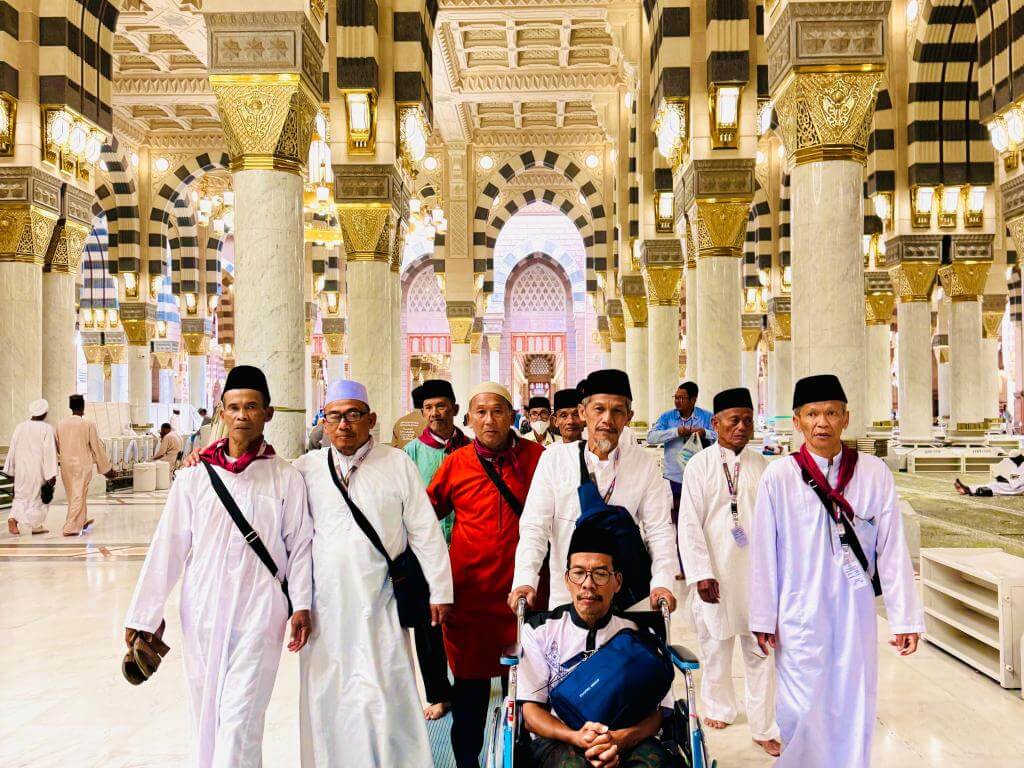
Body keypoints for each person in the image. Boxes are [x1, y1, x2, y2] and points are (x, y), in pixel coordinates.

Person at [124, 365, 314, 768]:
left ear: (268, 413)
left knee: (242, 716)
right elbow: (168, 546)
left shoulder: (285, 477)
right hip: (202, 609)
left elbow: (300, 545)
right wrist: (143, 615)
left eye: (252, 407)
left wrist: (301, 604)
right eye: (234, 407)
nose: (242, 415)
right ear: (222, 413)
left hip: (261, 609)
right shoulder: (194, 476)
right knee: (205, 711)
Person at [749, 374, 924, 768]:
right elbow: (763, 552)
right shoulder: (780, 476)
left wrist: (904, 618)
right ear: (797, 421)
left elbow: (892, 548)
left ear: (846, 418)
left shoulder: (873, 472)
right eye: (812, 414)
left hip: (854, 609)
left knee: (852, 700)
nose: (822, 423)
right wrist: (762, 617)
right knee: (798, 706)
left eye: (831, 413)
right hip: (797, 609)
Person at [293, 380, 453, 768]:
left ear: (372, 419)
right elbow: (291, 539)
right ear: (324, 422)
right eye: (334, 416)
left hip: (382, 601)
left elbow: (424, 530)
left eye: (353, 414)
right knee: (330, 695)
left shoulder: (396, 463)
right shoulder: (306, 469)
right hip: (326, 606)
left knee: (385, 692)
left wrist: (440, 590)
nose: (343, 424)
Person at [427, 382, 546, 768]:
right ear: (469, 418)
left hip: (525, 597)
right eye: (481, 412)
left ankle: (526, 758)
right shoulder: (457, 463)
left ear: (512, 415)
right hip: (470, 599)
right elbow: (425, 517)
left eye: (498, 411)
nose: (489, 419)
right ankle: (467, 762)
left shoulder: (538, 458)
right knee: (470, 694)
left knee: (529, 690)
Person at [511, 369, 679, 612]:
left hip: (626, 598)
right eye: (599, 409)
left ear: (628, 417)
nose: (607, 419)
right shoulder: (554, 460)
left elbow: (659, 530)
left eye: (617, 411)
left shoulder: (642, 463)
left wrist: (662, 582)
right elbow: (535, 526)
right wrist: (525, 579)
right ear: (583, 412)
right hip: (569, 597)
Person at [676, 387, 780, 756]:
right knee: (715, 645)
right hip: (715, 572)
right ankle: (719, 707)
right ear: (716, 423)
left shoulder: (763, 466)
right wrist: (700, 573)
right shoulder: (700, 466)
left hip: (756, 575)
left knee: (761, 650)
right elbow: (688, 524)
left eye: (747, 420)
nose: (741, 427)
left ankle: (764, 725)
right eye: (734, 420)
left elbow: (775, 524)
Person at [518, 524, 675, 768]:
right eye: (579, 573)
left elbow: (659, 712)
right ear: (567, 579)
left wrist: (620, 740)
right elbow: (530, 714)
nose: (588, 584)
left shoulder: (640, 636)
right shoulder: (539, 631)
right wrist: (576, 737)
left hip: (628, 736)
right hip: (559, 737)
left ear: (617, 582)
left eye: (600, 574)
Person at [401, 379, 469, 721]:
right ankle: (439, 693)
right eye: (428, 408)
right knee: (429, 625)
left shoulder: (471, 448)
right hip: (425, 552)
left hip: (467, 549)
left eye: (441, 406)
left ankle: (472, 681)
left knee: (470, 618)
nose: (434, 413)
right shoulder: (410, 453)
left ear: (454, 409)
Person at [647, 382, 716, 511]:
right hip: (673, 476)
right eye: (676, 397)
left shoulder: (707, 417)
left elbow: (720, 436)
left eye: (682, 398)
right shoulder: (667, 417)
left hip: (700, 476)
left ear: (693, 399)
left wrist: (705, 433)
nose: (677, 401)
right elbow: (651, 437)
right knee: (675, 512)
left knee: (698, 512)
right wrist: (675, 432)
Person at [56, 394, 115, 536]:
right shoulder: (88, 424)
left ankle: (81, 520)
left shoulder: (61, 424)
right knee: (79, 494)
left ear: (70, 407)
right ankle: (70, 527)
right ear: (82, 407)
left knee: (73, 494)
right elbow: (97, 448)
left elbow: (58, 446)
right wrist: (106, 469)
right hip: (82, 464)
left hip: (65, 464)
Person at [3, 399, 59, 536]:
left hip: (21, 470)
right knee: (37, 498)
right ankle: (32, 524)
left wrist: (10, 469)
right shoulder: (47, 429)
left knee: (21, 496)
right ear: (45, 413)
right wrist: (51, 474)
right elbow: (50, 452)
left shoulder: (20, 427)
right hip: (37, 470)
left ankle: (14, 519)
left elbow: (12, 449)